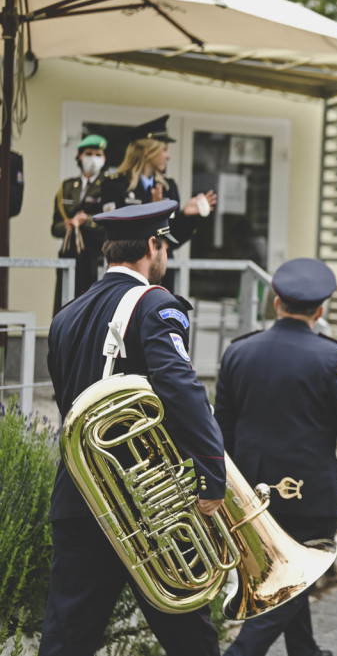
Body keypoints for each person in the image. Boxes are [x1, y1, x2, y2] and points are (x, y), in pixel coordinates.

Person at [40, 200, 225, 656]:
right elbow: (183, 393)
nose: (166, 256)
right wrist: (211, 472)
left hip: (81, 499)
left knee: (67, 638)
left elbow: (70, 403)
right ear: (152, 245)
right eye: (166, 246)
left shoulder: (66, 315)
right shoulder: (156, 304)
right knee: (191, 639)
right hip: (146, 509)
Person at [216, 258, 337, 656]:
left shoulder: (238, 352)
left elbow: (222, 428)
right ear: (320, 311)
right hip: (308, 493)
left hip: (250, 495)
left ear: (275, 303)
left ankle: (305, 650)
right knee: (290, 579)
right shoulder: (333, 357)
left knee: (290, 572)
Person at [101, 115, 217, 291]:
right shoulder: (114, 185)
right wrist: (151, 208)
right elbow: (115, 233)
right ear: (148, 151)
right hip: (129, 270)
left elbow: (172, 237)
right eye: (164, 149)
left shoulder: (168, 187)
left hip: (160, 270)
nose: (168, 156)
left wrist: (187, 215)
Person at [50, 134, 110, 312]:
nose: (93, 158)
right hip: (70, 254)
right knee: (65, 305)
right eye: (89, 153)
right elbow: (55, 227)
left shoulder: (109, 185)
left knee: (90, 309)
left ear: (105, 158)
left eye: (98, 154)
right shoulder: (67, 187)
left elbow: (110, 225)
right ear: (79, 156)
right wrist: (69, 224)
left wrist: (87, 221)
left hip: (95, 257)